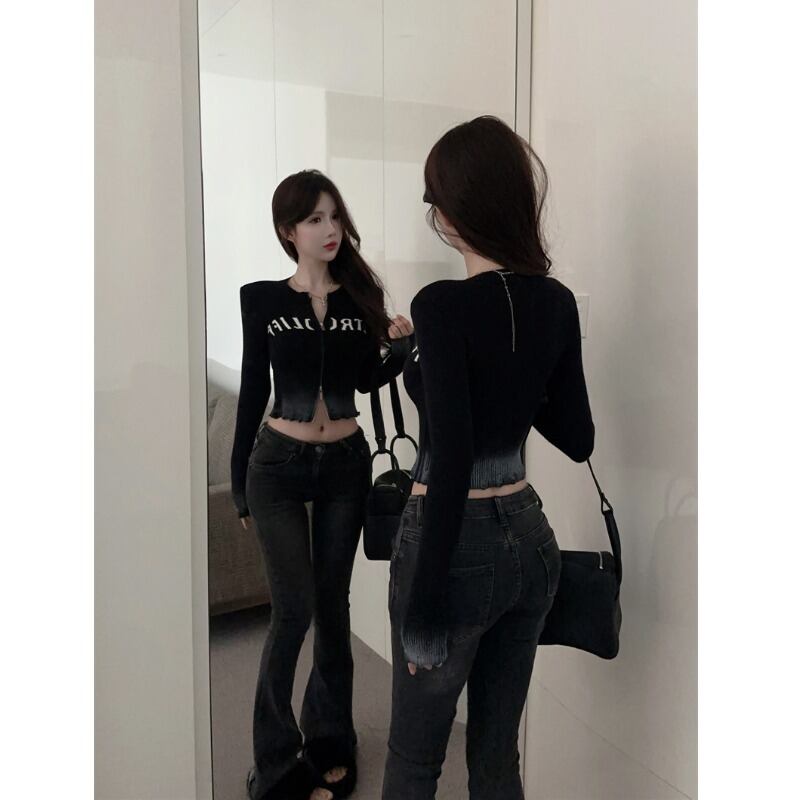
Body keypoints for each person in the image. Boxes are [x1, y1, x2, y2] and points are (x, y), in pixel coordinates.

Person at [382, 116, 595, 800]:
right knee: (497, 756)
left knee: (415, 761)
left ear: (455, 210)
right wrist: (513, 377)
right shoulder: (555, 302)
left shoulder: (441, 305)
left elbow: (452, 456)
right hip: (531, 543)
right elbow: (578, 437)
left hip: (454, 545)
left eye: (435, 197)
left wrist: (423, 612)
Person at [231, 169, 414, 800]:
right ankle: (275, 759)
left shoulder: (358, 297)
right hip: (278, 465)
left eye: (335, 216)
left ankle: (331, 739)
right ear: (289, 231)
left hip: (344, 465)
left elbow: (365, 381)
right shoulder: (261, 299)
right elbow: (253, 388)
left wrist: (399, 350)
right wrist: (238, 478)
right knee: (293, 611)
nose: (330, 229)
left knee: (333, 609)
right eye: (315, 219)